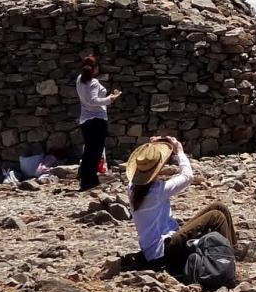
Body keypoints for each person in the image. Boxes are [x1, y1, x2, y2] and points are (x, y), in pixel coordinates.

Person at [125, 136, 236, 273]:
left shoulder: (132, 188)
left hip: (154, 250)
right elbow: (187, 176)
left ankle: (231, 251)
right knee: (216, 216)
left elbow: (147, 160)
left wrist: (154, 145)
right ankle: (225, 261)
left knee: (219, 207)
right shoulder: (158, 190)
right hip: (164, 251)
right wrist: (179, 152)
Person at [75, 56, 122, 191]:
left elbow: (88, 100)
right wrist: (110, 99)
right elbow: (93, 100)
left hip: (85, 119)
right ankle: (90, 180)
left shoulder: (79, 80)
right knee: (95, 151)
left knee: (89, 150)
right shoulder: (93, 82)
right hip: (97, 119)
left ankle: (86, 179)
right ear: (95, 68)